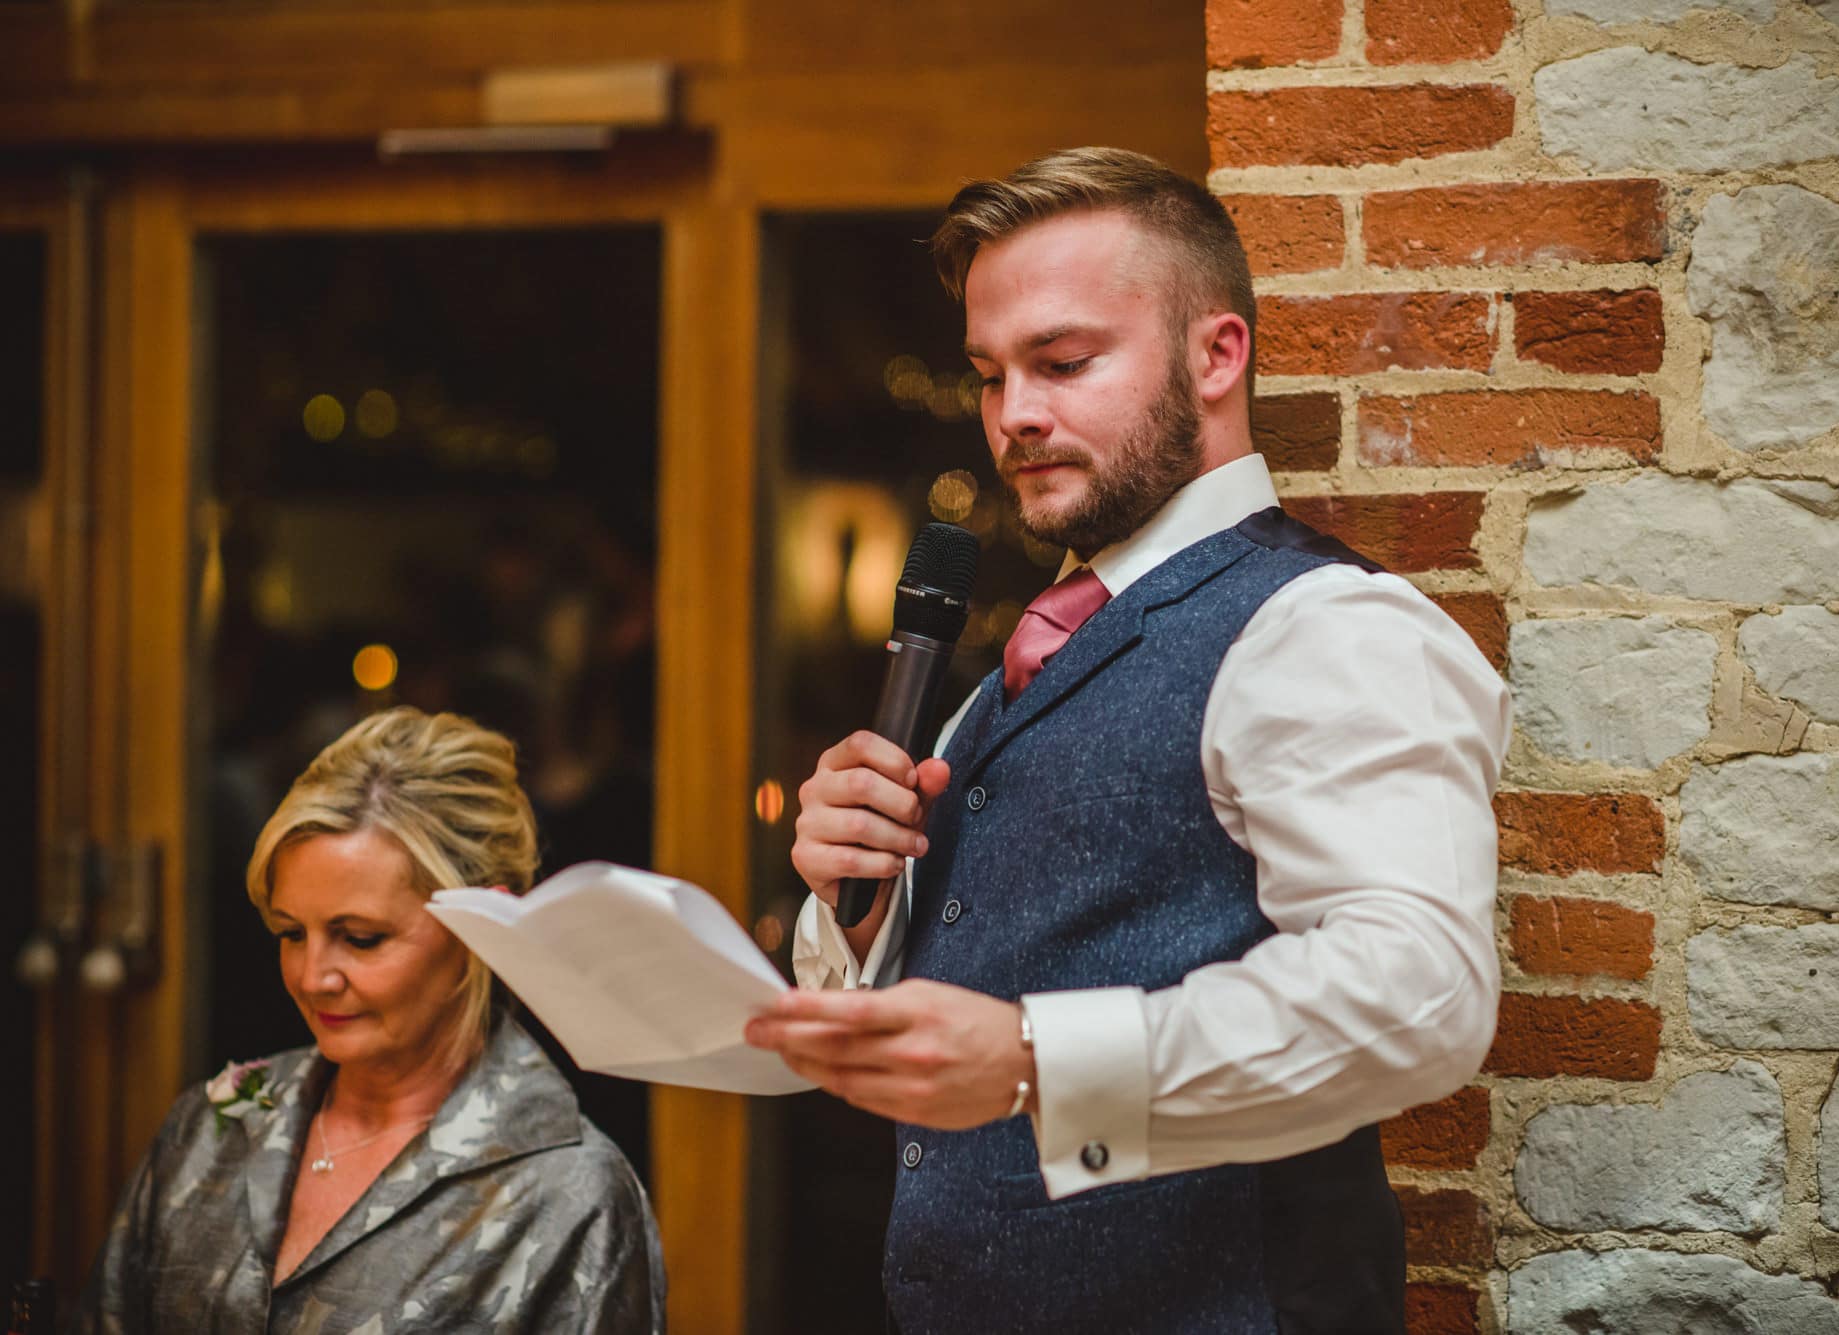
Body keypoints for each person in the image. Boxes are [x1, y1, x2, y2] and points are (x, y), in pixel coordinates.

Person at [745, 147, 1511, 1333]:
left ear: (1217, 354)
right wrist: (856, 902)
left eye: (1062, 362)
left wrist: (1036, 1060)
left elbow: (1418, 997)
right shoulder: (1013, 656)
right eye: (989, 375)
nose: (1014, 416)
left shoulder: (1323, 626)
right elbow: (966, 969)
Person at [79, 708, 665, 1333]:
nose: (312, 977)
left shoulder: (568, 1194)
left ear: (480, 931)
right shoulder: (210, 1128)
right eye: (290, 933)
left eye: (359, 938)